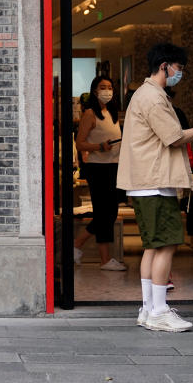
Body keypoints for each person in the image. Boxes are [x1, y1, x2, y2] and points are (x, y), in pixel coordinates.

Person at [117, 43, 193, 332]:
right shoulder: (153, 98)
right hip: (155, 181)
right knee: (166, 245)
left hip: (147, 182)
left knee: (152, 247)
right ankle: (159, 311)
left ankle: (149, 309)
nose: (181, 73)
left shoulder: (144, 94)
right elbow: (174, 137)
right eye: (179, 68)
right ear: (165, 65)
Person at [74, 76, 126, 271]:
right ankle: (103, 259)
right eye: (103, 87)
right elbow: (80, 143)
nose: (107, 91)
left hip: (115, 166)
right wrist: (99, 147)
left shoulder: (112, 113)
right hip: (98, 168)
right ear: (95, 91)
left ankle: (78, 245)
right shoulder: (89, 114)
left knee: (109, 213)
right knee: (104, 213)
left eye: (110, 87)